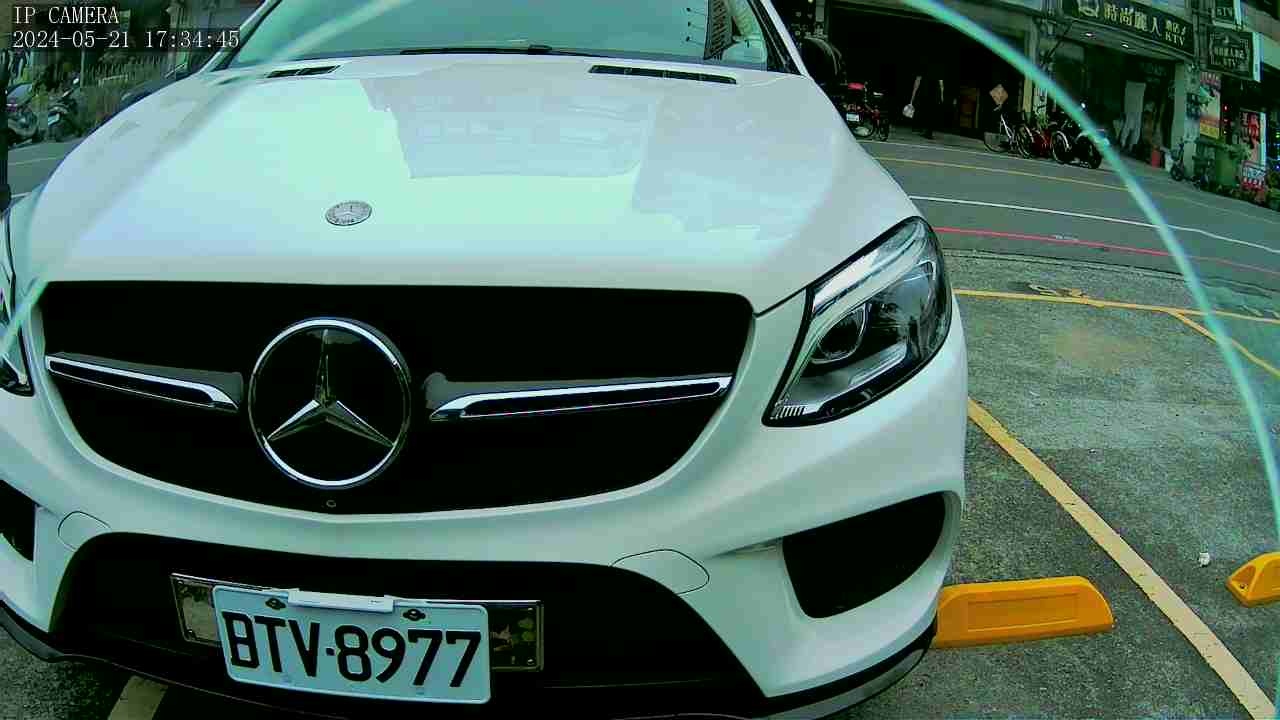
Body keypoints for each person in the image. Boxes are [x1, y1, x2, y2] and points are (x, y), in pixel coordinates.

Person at [908, 58, 945, 140]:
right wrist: (942, 96)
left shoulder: (923, 65)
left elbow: (917, 81)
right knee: (932, 112)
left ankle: (921, 127)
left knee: (924, 110)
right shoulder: (939, 67)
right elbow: (941, 84)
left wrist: (913, 95)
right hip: (935, 93)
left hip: (925, 91)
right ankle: (929, 132)